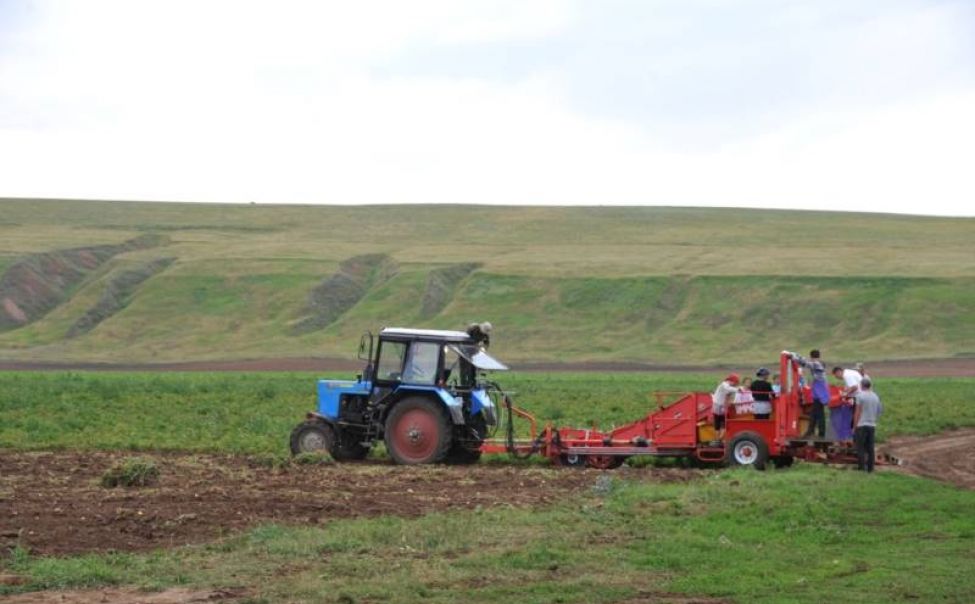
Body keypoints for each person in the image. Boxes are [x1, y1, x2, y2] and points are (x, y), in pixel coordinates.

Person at [789, 349, 829, 438]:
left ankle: (820, 433)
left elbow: (804, 363)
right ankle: (810, 431)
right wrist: (795, 355)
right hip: (819, 391)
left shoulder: (816, 364)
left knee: (819, 413)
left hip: (819, 392)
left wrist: (793, 356)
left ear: (811, 356)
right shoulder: (819, 364)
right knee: (815, 412)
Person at [853, 378, 883, 472]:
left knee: (860, 447)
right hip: (872, 425)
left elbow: (857, 412)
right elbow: (879, 411)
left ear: (862, 386)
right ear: (870, 386)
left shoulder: (860, 396)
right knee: (870, 448)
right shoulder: (876, 396)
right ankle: (871, 468)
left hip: (861, 425)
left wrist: (854, 426)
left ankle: (861, 468)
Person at [831, 366, 861, 441]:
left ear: (838, 372)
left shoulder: (847, 375)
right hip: (858, 396)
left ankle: (853, 436)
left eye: (836, 376)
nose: (837, 378)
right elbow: (850, 386)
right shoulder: (849, 372)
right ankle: (853, 436)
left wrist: (845, 394)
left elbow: (854, 387)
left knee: (854, 416)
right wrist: (846, 390)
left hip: (858, 397)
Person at [712, 373, 740, 441]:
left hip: (723, 406)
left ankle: (720, 438)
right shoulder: (724, 384)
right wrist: (737, 389)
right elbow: (728, 389)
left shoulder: (730, 387)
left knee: (723, 422)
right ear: (732, 381)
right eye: (735, 382)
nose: (735, 384)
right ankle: (718, 438)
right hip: (718, 405)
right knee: (718, 422)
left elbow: (730, 396)